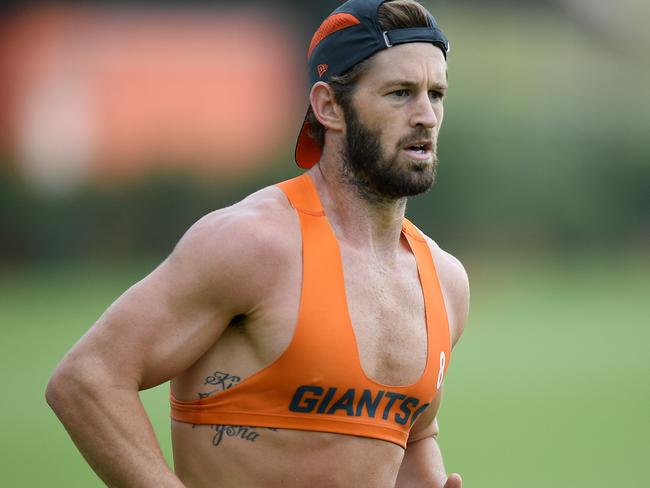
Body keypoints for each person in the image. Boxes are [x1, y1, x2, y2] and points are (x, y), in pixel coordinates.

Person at [46, 0, 470, 486]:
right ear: (329, 107)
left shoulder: (444, 280)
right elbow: (86, 380)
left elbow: (411, 437)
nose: (426, 116)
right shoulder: (252, 243)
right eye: (400, 93)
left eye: (435, 94)